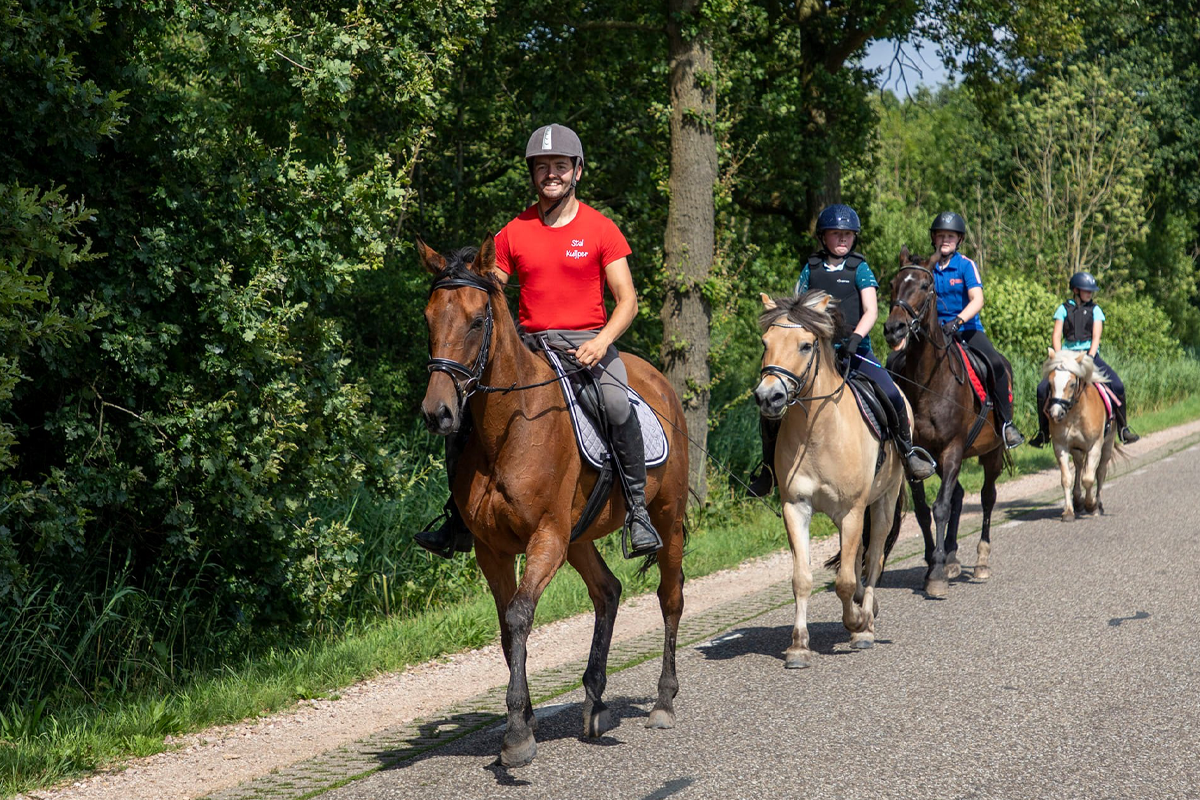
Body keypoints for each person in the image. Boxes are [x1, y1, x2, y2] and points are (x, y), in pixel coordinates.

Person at [415, 123, 662, 560]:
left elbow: (628, 302)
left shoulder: (602, 229)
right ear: (533, 173)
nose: (552, 174)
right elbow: (487, 295)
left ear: (577, 172)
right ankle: (458, 516)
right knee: (468, 413)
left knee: (618, 404)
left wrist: (602, 342)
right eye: (543, 166)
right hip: (531, 345)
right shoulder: (514, 232)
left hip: (588, 343)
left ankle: (638, 511)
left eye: (561, 166)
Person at [748, 203, 937, 497]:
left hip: (856, 352)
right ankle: (769, 470)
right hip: (815, 356)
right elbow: (797, 311)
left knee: (890, 394)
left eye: (848, 234)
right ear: (824, 237)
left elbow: (871, 310)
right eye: (836, 234)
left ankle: (908, 453)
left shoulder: (860, 268)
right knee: (772, 407)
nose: (843, 240)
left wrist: (854, 340)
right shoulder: (810, 269)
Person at [927, 211, 1024, 449]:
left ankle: (1006, 424)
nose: (945, 240)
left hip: (967, 330)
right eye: (941, 236)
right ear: (934, 239)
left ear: (959, 239)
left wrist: (958, 322)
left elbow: (977, 299)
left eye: (950, 236)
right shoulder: (927, 268)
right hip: (935, 334)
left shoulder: (966, 265)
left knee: (996, 364)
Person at [1028, 271, 1140, 447]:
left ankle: (1123, 429)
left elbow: (1096, 337)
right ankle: (1043, 433)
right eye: (1086, 290)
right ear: (1075, 290)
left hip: (1089, 356)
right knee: (1042, 389)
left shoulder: (1096, 310)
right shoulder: (1063, 309)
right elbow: (1056, 336)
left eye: (1091, 291)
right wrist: (1060, 358)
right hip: (1066, 357)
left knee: (1117, 385)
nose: (1090, 293)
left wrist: (1089, 357)